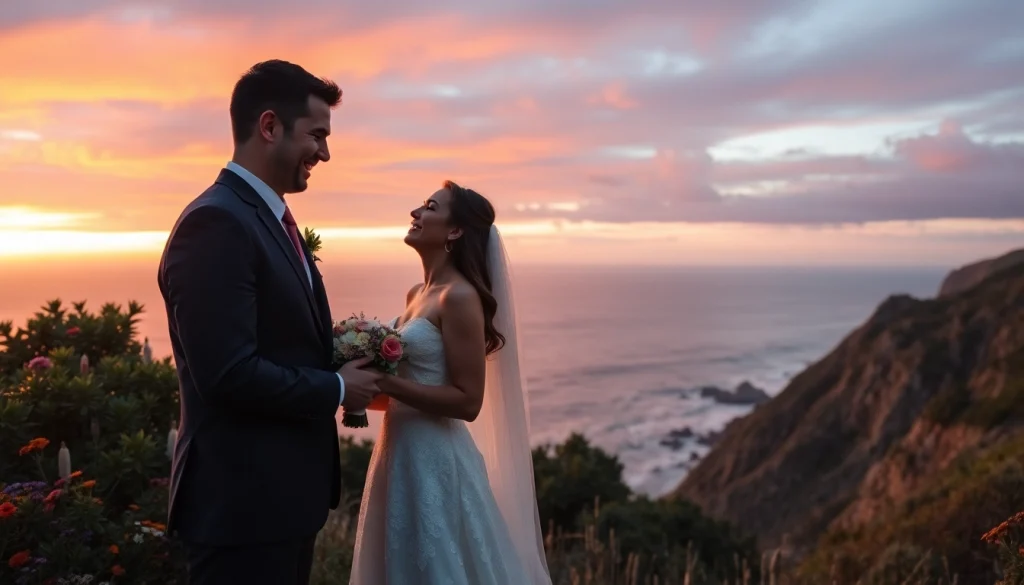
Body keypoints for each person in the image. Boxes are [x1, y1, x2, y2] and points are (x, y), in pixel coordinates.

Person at [157, 60, 381, 585]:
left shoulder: (267, 217)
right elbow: (228, 374)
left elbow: (281, 338)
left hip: (279, 506)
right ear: (269, 127)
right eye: (318, 135)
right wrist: (338, 387)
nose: (325, 153)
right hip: (241, 511)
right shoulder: (216, 223)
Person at [348, 180, 552, 584]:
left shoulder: (458, 298)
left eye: (429, 207)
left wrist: (386, 385)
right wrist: (352, 380)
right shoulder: (416, 294)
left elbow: (467, 401)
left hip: (435, 460)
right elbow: (410, 389)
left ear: (455, 231)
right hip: (398, 454)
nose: (416, 213)